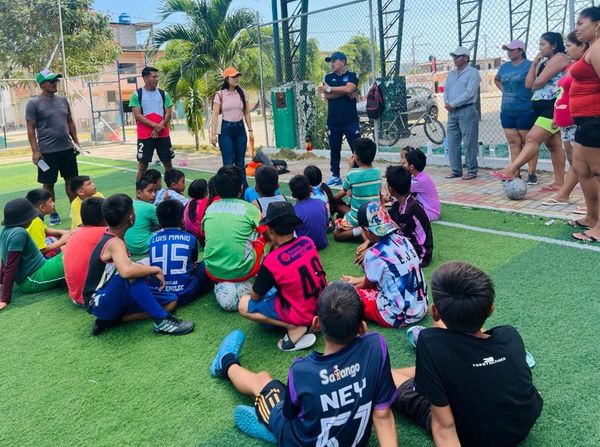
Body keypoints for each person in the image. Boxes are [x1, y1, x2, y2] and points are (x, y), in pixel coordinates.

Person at [210, 281, 398, 446]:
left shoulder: (302, 371)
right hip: (354, 441)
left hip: (300, 439)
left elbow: (288, 415)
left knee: (265, 382)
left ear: (316, 324)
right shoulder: (376, 346)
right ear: (363, 327)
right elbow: (383, 415)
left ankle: (226, 363)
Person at [392, 261, 543, 446]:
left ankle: (423, 374)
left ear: (433, 312)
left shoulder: (430, 342)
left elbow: (444, 428)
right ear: (491, 309)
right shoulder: (510, 334)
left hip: (469, 435)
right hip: (521, 426)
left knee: (386, 374)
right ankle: (432, 374)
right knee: (444, 361)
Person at [83, 194, 194, 336]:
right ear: (131, 218)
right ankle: (162, 321)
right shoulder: (114, 242)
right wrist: (154, 269)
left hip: (111, 296)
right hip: (97, 302)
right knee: (132, 275)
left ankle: (114, 320)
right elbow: (126, 271)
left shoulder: (113, 237)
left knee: (171, 301)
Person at [238, 202, 327, 351]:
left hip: (302, 313)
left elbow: (255, 296)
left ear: (270, 231)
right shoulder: (307, 241)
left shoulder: (271, 261)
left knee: (243, 304)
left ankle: (293, 326)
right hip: (322, 306)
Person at [492, 33, 570, 189]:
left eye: (543, 44)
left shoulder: (560, 58)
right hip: (540, 107)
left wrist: (536, 80)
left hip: (551, 107)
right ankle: (560, 182)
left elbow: (538, 82)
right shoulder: (544, 62)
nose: (540, 48)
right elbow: (529, 85)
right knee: (553, 145)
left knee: (532, 139)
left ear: (554, 45)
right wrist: (534, 64)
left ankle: (512, 169)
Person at [341, 201, 428, 328]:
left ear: (365, 230)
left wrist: (348, 288)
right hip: (421, 308)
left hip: (396, 315)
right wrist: (356, 280)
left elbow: (368, 285)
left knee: (345, 297)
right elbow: (393, 274)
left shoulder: (373, 254)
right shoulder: (403, 240)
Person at [202, 166, 265, 309]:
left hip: (213, 271)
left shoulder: (210, 208)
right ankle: (258, 279)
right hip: (245, 270)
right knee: (263, 235)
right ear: (241, 188)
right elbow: (269, 234)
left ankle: (225, 285)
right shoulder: (250, 208)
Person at [26, 69, 81, 225]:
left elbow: (70, 122)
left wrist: (76, 143)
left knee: (71, 181)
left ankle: (75, 211)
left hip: (67, 149)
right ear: (42, 84)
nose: (55, 83)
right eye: (51, 81)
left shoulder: (63, 100)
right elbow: (30, 128)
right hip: (47, 152)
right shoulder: (34, 103)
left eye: (56, 80)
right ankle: (53, 214)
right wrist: (35, 151)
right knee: (48, 183)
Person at [543, 31, 589, 208]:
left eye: (569, 46)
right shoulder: (570, 67)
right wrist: (556, 115)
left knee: (584, 162)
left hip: (579, 121)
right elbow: (563, 94)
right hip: (565, 122)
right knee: (575, 162)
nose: (566, 49)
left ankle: (590, 200)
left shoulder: (587, 66)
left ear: (582, 46)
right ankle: (565, 195)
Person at [0, 198, 65, 311]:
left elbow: (3, 260)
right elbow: (11, 266)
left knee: (68, 250)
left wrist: (1, 281)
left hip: (40, 269)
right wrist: (5, 298)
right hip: (32, 279)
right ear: (23, 219)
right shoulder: (19, 233)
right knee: (73, 255)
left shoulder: (5, 230)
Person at [570, 7, 600, 242]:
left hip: (595, 120)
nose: (576, 28)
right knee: (583, 170)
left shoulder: (598, 48)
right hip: (585, 122)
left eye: (581, 23)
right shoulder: (591, 48)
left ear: (597, 24)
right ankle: (592, 217)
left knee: (599, 173)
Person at [149, 200, 211, 306]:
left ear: (159, 221)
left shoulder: (152, 240)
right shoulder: (190, 238)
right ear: (182, 220)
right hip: (186, 293)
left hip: (163, 294)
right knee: (207, 264)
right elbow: (193, 262)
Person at [494, 40, 539, 184]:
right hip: (507, 110)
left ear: (520, 50)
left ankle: (532, 174)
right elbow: (497, 79)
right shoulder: (504, 67)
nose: (509, 52)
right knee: (513, 143)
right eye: (507, 50)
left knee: (528, 142)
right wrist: (505, 91)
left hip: (525, 110)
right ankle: (515, 173)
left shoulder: (530, 65)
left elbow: (536, 82)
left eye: (512, 49)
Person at [317, 52, 361, 186]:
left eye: (333, 61)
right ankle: (335, 175)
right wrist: (344, 91)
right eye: (330, 62)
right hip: (334, 121)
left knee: (357, 148)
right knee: (334, 149)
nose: (331, 64)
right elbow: (327, 96)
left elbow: (350, 89)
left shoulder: (353, 75)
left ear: (342, 62)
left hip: (350, 120)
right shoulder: (328, 77)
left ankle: (357, 174)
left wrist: (330, 89)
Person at [210, 67, 254, 188]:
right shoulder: (220, 94)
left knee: (240, 163)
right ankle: (229, 189)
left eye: (237, 76)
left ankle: (243, 189)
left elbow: (247, 113)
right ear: (227, 79)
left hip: (240, 129)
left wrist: (250, 130)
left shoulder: (243, 93)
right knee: (228, 164)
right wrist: (213, 134)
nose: (236, 79)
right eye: (233, 77)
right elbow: (215, 114)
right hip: (226, 130)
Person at [129, 66, 174, 181]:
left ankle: (173, 189)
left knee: (168, 165)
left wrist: (160, 127)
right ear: (145, 78)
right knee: (142, 166)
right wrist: (155, 126)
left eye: (157, 76)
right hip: (145, 136)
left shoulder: (164, 94)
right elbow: (137, 115)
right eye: (153, 77)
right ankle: (139, 190)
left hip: (163, 134)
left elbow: (168, 113)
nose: (156, 79)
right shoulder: (137, 95)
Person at [333, 138, 382, 241]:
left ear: (357, 158)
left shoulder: (352, 173)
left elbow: (345, 189)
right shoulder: (378, 172)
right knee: (345, 207)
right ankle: (365, 229)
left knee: (336, 234)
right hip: (375, 215)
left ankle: (359, 230)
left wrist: (350, 168)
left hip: (357, 217)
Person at [443, 47, 481, 180]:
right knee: (452, 141)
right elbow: (446, 90)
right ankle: (456, 170)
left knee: (469, 141)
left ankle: (471, 170)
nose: (454, 58)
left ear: (465, 58)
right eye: (453, 56)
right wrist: (447, 102)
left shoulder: (473, 73)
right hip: (452, 111)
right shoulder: (451, 74)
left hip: (467, 110)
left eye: (457, 56)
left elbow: (470, 93)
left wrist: (453, 104)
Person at [63, 197, 107, 306]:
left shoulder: (75, 232)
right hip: (95, 297)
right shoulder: (105, 233)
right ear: (104, 217)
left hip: (76, 297)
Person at [387, 166, 434, 267]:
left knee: (380, 256)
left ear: (390, 189)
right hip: (408, 243)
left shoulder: (409, 210)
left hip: (421, 254)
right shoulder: (399, 202)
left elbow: (399, 239)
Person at [25, 189, 71, 257]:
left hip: (35, 252)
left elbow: (46, 229)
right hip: (36, 260)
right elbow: (41, 250)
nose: (53, 203)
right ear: (42, 207)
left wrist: (64, 232)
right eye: (50, 201)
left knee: (59, 236)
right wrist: (62, 241)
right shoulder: (35, 222)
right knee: (70, 248)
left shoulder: (32, 217)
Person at [399, 147, 441, 221]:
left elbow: (399, 188)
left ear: (411, 167)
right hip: (428, 210)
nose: (402, 165)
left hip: (431, 212)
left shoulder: (419, 181)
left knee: (401, 214)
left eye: (404, 163)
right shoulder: (419, 175)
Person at [289, 175, 328, 250]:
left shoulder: (293, 210)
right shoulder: (321, 202)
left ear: (293, 195)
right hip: (323, 243)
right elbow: (325, 222)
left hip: (304, 247)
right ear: (311, 189)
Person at [124, 178, 159, 255]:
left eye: (155, 191)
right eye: (150, 191)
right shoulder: (150, 207)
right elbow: (164, 224)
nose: (154, 194)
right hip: (144, 247)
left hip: (128, 247)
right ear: (139, 193)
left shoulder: (129, 203)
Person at [184, 178, 214, 245]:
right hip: (202, 238)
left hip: (191, 235)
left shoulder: (189, 202)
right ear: (204, 192)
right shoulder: (206, 203)